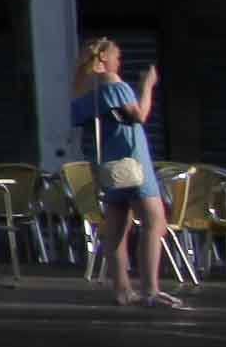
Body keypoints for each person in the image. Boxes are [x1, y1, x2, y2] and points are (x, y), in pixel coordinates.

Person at [67, 36, 180, 310]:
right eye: (116, 56)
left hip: (108, 167)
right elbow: (139, 115)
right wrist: (147, 86)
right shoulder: (114, 85)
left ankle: (122, 289)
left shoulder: (86, 93)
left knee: (117, 229)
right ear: (104, 59)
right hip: (132, 163)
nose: (120, 61)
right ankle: (150, 289)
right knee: (155, 223)